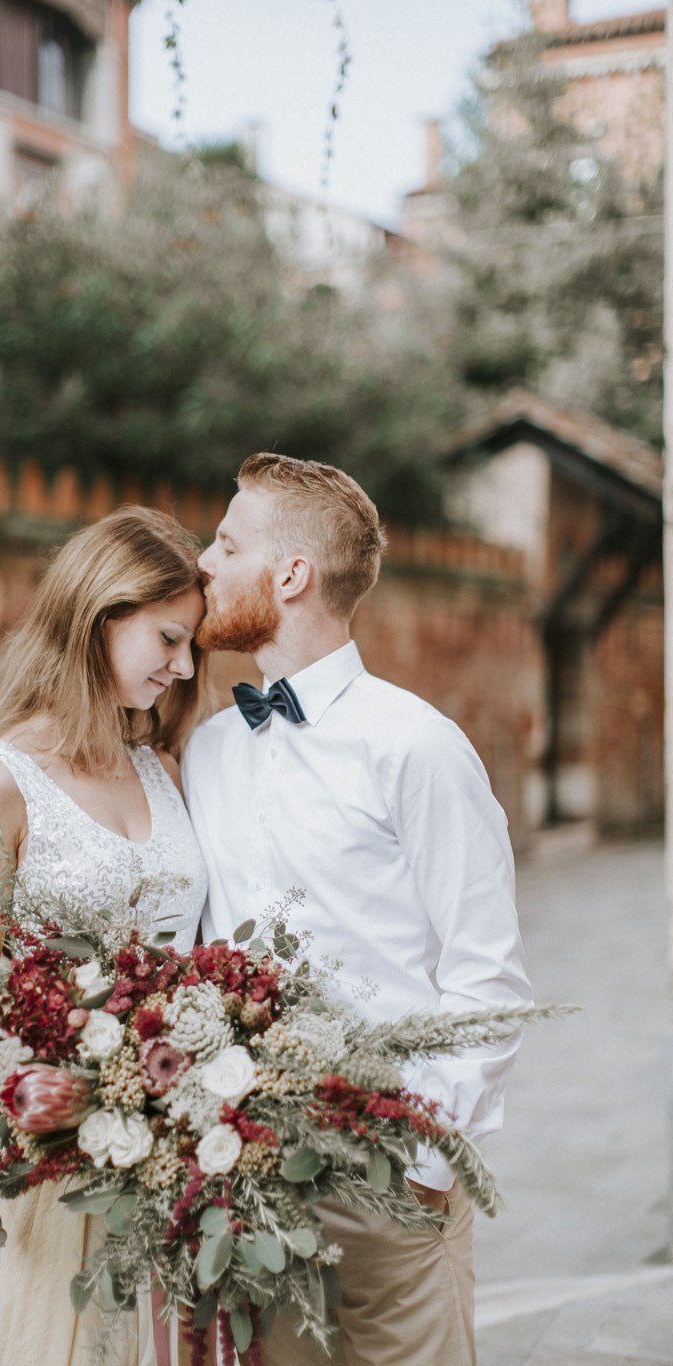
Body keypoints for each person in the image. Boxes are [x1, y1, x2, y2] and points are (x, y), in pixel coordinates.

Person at [181, 452, 533, 1366]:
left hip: (388, 1173)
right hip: (249, 1171)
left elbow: (484, 971)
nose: (202, 564)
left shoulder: (414, 747)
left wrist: (418, 1161)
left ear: (290, 574)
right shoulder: (212, 748)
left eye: (224, 543)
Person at [0, 506, 209, 1366]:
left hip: (187, 1147)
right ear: (102, 613)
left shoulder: (159, 769)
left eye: (192, 643)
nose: (185, 665)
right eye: (169, 638)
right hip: (61, 1159)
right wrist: (83, 1110)